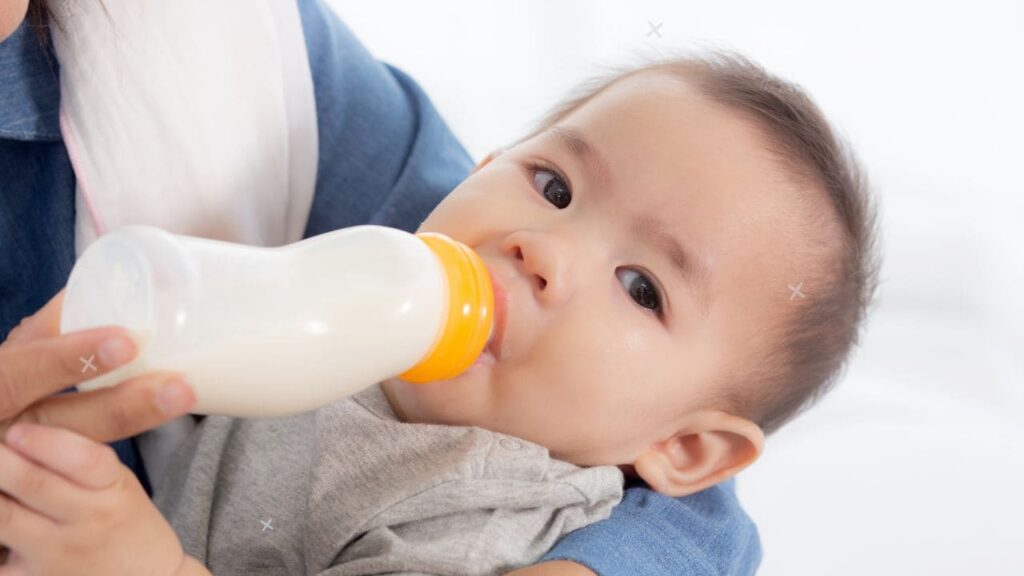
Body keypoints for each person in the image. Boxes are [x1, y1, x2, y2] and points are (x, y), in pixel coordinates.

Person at [0, 1, 823, 575]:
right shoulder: (358, 350)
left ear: (683, 451)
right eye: (555, 189)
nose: (539, 249)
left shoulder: (483, 517)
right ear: (483, 171)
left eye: (641, 287)